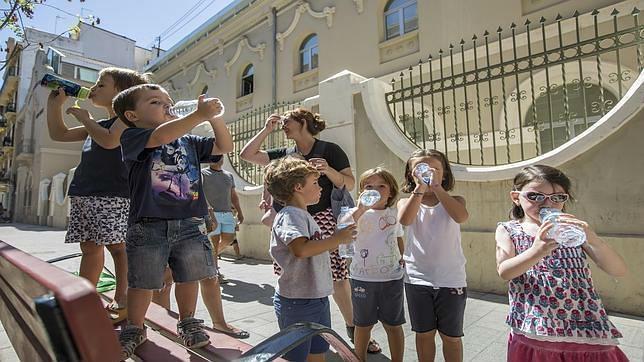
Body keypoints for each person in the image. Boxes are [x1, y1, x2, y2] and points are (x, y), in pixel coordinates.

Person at [240, 109, 381, 353]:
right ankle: (300, 328)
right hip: (295, 220)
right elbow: (247, 155)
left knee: (337, 279)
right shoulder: (285, 154)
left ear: (303, 122)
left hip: (325, 218)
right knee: (298, 272)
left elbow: (348, 183)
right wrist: (266, 129)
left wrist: (327, 171)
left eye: (287, 121)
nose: (283, 125)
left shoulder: (329, 150)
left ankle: (355, 331)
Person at [113, 84, 233, 359]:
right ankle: (134, 326)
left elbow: (224, 146)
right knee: (142, 282)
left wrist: (214, 116)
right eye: (156, 102)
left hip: (190, 222)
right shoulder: (133, 136)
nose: (167, 105)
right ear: (132, 115)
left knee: (188, 277)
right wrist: (197, 116)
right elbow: (159, 137)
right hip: (149, 224)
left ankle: (188, 322)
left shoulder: (188, 141)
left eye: (168, 101)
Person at [46, 67, 150, 322]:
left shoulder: (129, 121)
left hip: (115, 194)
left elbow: (110, 142)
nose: (94, 88)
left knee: (118, 248)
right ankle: (85, 297)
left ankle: (122, 299)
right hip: (86, 192)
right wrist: (55, 105)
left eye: (102, 84)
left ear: (121, 93)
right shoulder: (99, 124)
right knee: (89, 247)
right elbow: (58, 134)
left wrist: (84, 118)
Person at [496, 165, 628, 361]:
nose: (547, 203)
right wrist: (536, 250)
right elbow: (505, 271)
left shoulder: (571, 230)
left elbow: (618, 270)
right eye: (535, 196)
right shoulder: (510, 230)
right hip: (537, 327)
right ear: (516, 198)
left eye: (557, 197)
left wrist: (593, 239)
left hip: (585, 327)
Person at [264, 156, 355, 362]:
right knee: (297, 356)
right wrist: (337, 239)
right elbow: (301, 250)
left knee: (318, 351)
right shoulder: (290, 215)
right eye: (315, 182)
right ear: (298, 187)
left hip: (317, 297)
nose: (321, 187)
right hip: (297, 303)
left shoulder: (302, 215)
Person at [398, 149, 469, 362]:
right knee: (424, 333)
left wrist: (436, 187)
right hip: (417, 278)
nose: (427, 173)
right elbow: (405, 220)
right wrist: (420, 189)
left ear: (444, 173)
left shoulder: (455, 199)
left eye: (434, 169)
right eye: (419, 170)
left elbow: (461, 216)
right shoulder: (407, 202)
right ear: (411, 175)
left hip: (451, 279)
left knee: (452, 336)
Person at [348, 167, 406, 362]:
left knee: (393, 325)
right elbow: (344, 225)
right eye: (369, 186)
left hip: (392, 278)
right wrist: (360, 208)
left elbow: (398, 238)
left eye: (382, 185)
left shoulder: (395, 214)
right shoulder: (358, 213)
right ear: (362, 191)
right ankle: (360, 358)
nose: (376, 190)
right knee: (363, 325)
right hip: (362, 278)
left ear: (391, 191)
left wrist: (403, 256)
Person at [201, 157, 244, 256]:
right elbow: (198, 193)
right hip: (212, 214)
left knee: (229, 240)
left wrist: (240, 213)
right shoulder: (203, 174)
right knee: (214, 243)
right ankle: (214, 265)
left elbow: (234, 196)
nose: (216, 159)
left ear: (223, 159)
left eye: (219, 156)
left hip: (227, 214)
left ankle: (211, 256)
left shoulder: (229, 175)